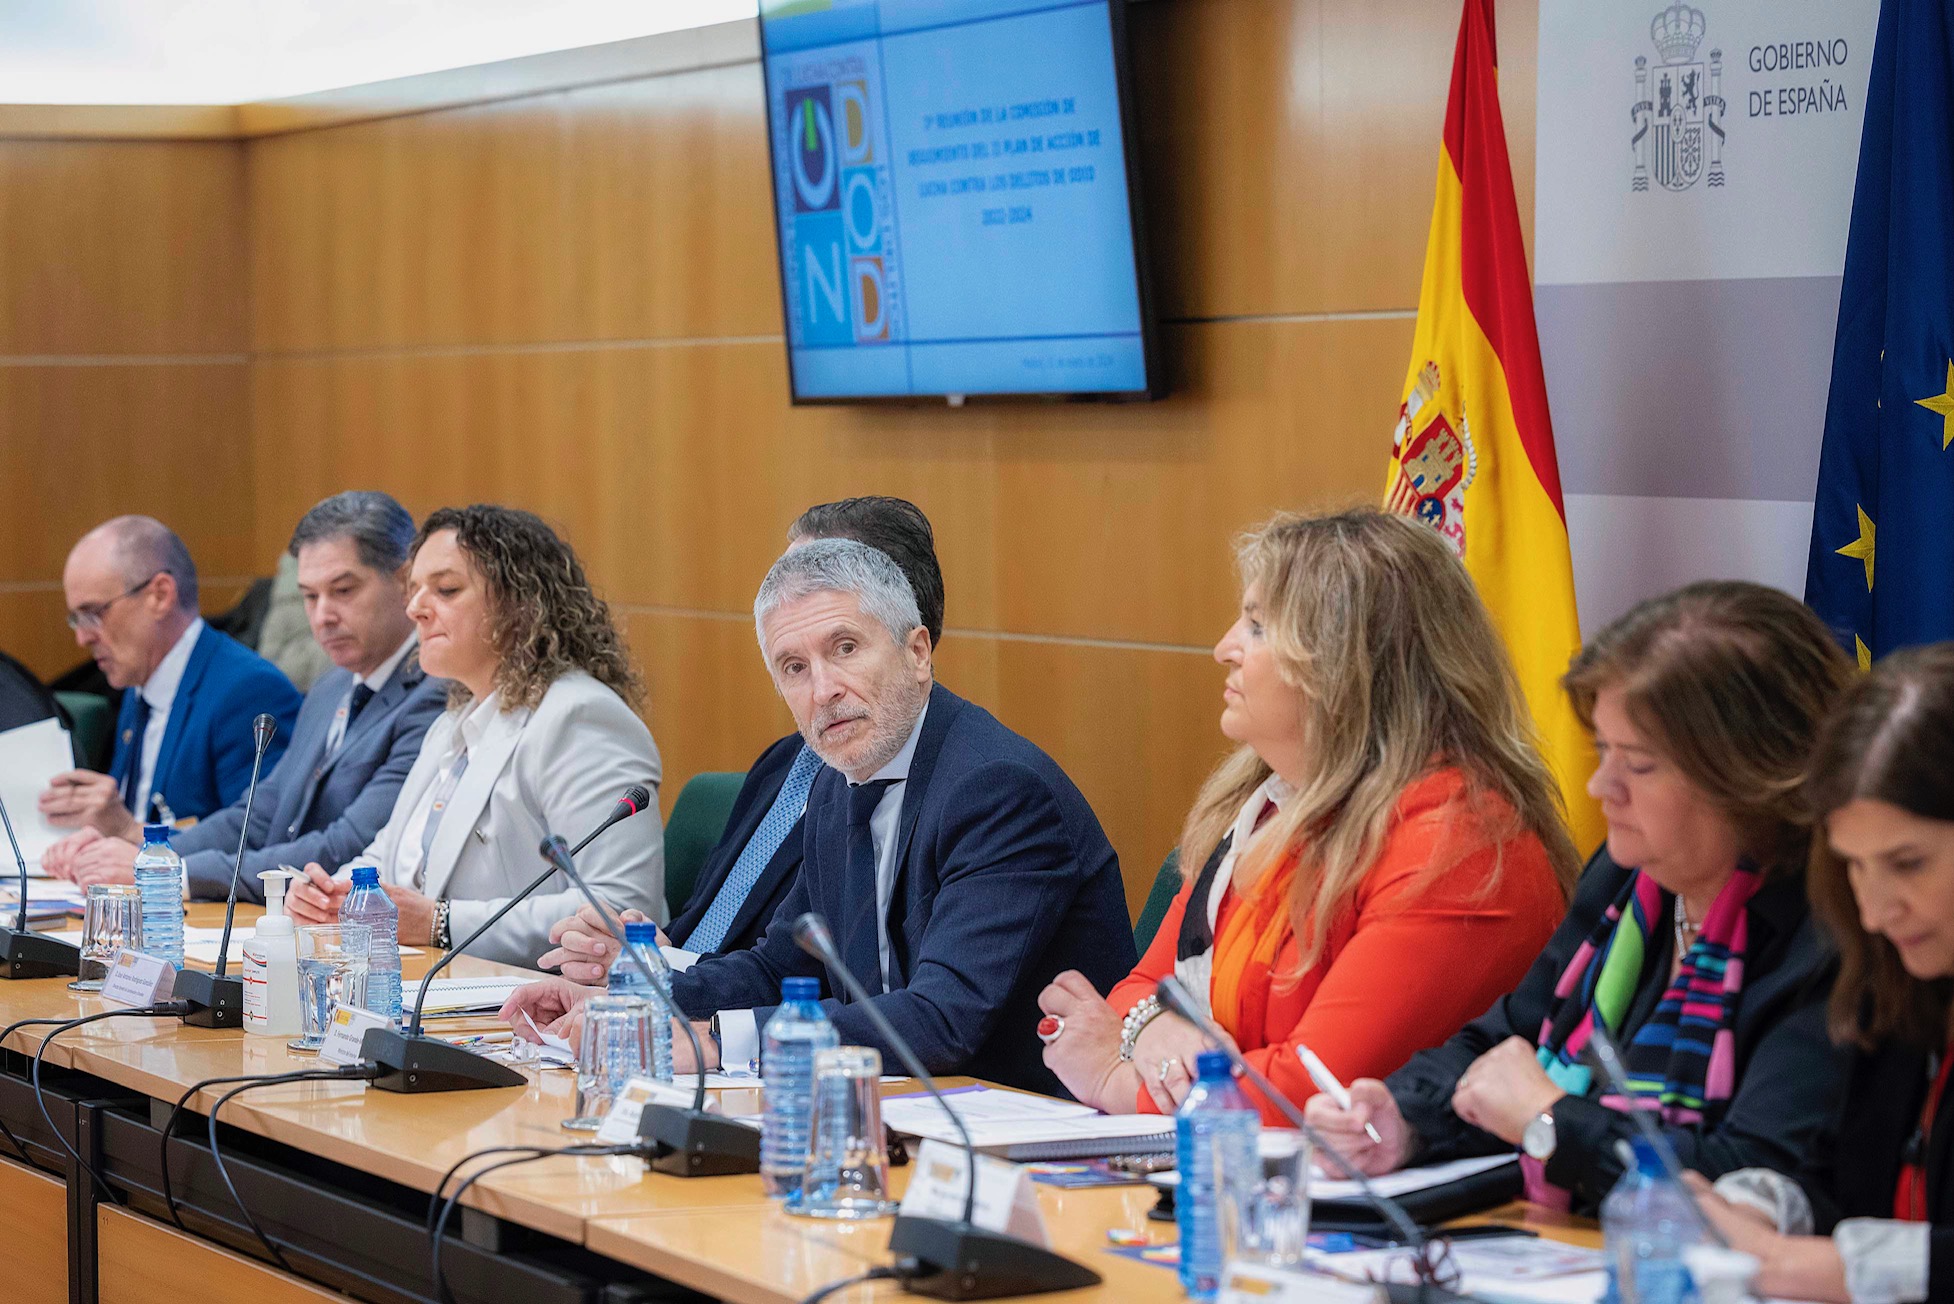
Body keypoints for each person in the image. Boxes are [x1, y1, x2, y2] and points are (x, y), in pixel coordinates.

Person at [503, 538, 1134, 1093]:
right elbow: (782, 967)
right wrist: (630, 1001)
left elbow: (942, 1018)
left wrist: (715, 1040)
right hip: (894, 1108)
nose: (823, 689)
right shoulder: (837, 781)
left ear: (918, 652)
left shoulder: (998, 791)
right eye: (794, 668)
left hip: (1024, 1129)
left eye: (846, 648)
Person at [1306, 582, 1852, 1210]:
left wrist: (1549, 1118)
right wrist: (1402, 1120)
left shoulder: (1834, 927)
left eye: (1638, 764)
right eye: (1602, 751)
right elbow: (1505, 1041)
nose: (1599, 786)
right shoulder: (1628, 884)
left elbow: (1755, 1179)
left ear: (1750, 774)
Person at [1036, 509, 1577, 1126]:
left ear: (1345, 665)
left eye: (1257, 627)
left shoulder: (1458, 842)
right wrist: (1152, 1026)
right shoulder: (1267, 805)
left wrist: (1115, 1077)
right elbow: (1140, 989)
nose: (1224, 649)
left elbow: (1309, 1092)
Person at [541, 496, 947, 981]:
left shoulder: (932, 791)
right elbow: (710, 933)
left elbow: (820, 982)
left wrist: (673, 978)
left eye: (818, 577)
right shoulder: (787, 762)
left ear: (907, 631)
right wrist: (645, 957)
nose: (787, 596)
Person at [284, 505, 663, 968]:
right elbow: (390, 854)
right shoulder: (453, 722)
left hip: (537, 999)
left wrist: (441, 922)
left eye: (445, 590)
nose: (415, 609)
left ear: (520, 605)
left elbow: (619, 907)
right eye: (414, 590)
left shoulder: (580, 717)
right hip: (432, 983)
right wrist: (334, 895)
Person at [1689, 645, 1954, 1304]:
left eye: (1907, 863)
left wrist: (1847, 1269)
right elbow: (1846, 1178)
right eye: (1854, 865)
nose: (1874, 911)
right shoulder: (1900, 974)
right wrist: (1760, 1209)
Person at [40, 492, 447, 901]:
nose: (322, 616)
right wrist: (149, 853)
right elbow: (258, 814)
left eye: (343, 590)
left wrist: (175, 872)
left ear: (404, 582)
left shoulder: (435, 696)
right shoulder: (330, 688)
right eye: (309, 596)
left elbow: (348, 844)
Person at [37, 516, 301, 835]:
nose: (82, 637)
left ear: (160, 595)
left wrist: (128, 831)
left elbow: (259, 839)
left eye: (93, 614)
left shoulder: (250, 692)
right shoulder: (140, 684)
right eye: (76, 619)